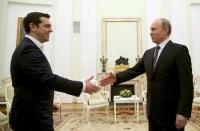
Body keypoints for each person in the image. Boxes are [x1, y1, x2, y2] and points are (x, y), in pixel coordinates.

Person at [9, 12, 100, 131]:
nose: (51, 30)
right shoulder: (28, 49)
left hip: (34, 112)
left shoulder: (29, 47)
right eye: (47, 26)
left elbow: (37, 82)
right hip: (31, 119)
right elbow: (48, 79)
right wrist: (82, 86)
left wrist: (48, 103)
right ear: (33, 27)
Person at [100, 18, 193, 131]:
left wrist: (183, 112)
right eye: (150, 29)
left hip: (171, 113)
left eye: (153, 29)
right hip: (152, 112)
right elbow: (134, 70)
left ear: (165, 30)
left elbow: (187, 85)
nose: (150, 32)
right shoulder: (149, 53)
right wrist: (116, 77)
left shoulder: (179, 51)